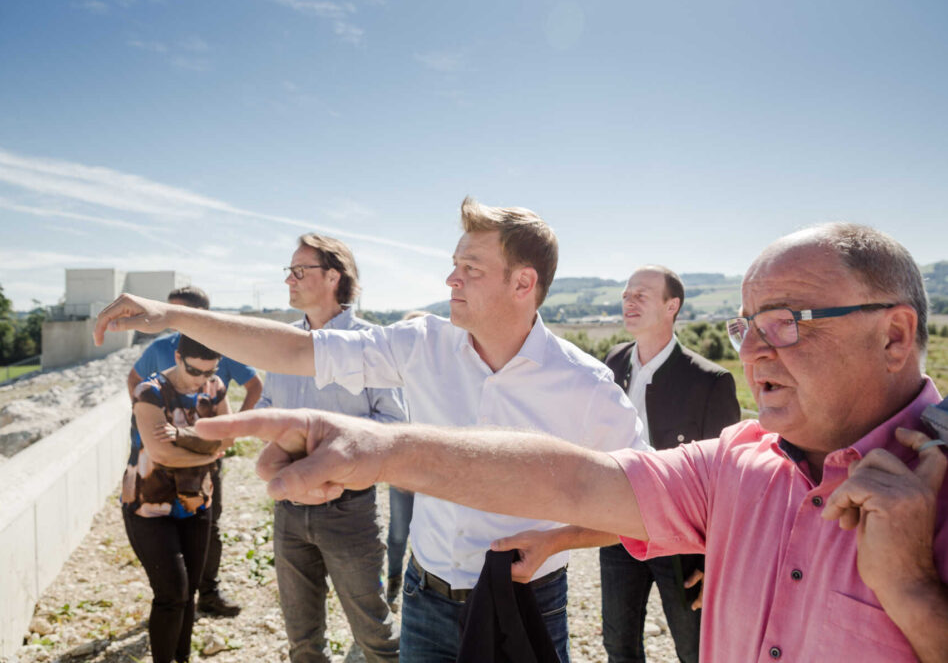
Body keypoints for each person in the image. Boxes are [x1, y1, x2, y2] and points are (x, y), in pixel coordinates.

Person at [178, 223, 948, 663]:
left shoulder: (937, 489)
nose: (753, 350)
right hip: (430, 591)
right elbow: (582, 482)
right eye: (748, 324)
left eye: (788, 321)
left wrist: (915, 594)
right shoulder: (735, 467)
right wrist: (376, 451)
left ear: (894, 334)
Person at [94, 197, 647, 663]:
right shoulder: (421, 343)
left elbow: (648, 500)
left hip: (527, 600)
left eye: (470, 269)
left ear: (524, 282)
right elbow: (294, 348)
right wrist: (175, 316)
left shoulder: (586, 385)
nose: (450, 278)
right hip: (425, 597)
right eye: (454, 263)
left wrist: (559, 539)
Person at [256, 234, 403, 663]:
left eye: (299, 270)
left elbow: (394, 425)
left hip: (350, 511)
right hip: (287, 510)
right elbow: (267, 407)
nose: (289, 279)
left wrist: (325, 451)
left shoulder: (372, 343)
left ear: (334, 276)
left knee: (375, 635)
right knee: (302, 641)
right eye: (289, 270)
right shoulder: (281, 342)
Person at [600, 266, 739, 662]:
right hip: (617, 527)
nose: (630, 300)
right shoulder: (613, 361)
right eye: (627, 294)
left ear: (671, 306)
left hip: (682, 537)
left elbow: (727, 479)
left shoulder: (710, 380)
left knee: (694, 649)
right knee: (618, 645)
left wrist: (718, 557)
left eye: (642, 294)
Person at [126, 285, 263, 618]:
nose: (170, 319)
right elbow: (133, 380)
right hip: (156, 454)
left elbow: (255, 386)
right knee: (162, 523)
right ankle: (174, 595)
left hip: (206, 453)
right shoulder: (161, 347)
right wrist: (147, 416)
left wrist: (233, 427)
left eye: (178, 312)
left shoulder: (223, 348)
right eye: (168, 311)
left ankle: (208, 593)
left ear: (201, 313)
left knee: (208, 523)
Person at [123, 335, 233, 663]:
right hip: (148, 505)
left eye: (210, 371)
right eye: (195, 371)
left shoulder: (214, 387)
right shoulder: (150, 392)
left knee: (189, 595)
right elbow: (162, 455)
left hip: (197, 501)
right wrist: (209, 452)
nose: (202, 380)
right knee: (171, 595)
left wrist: (185, 438)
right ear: (177, 356)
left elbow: (228, 438)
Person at [385, 309, 428, 612]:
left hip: (435, 477)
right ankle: (393, 582)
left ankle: (422, 591)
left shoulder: (440, 380)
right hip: (403, 473)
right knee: (399, 532)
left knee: (431, 533)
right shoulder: (393, 382)